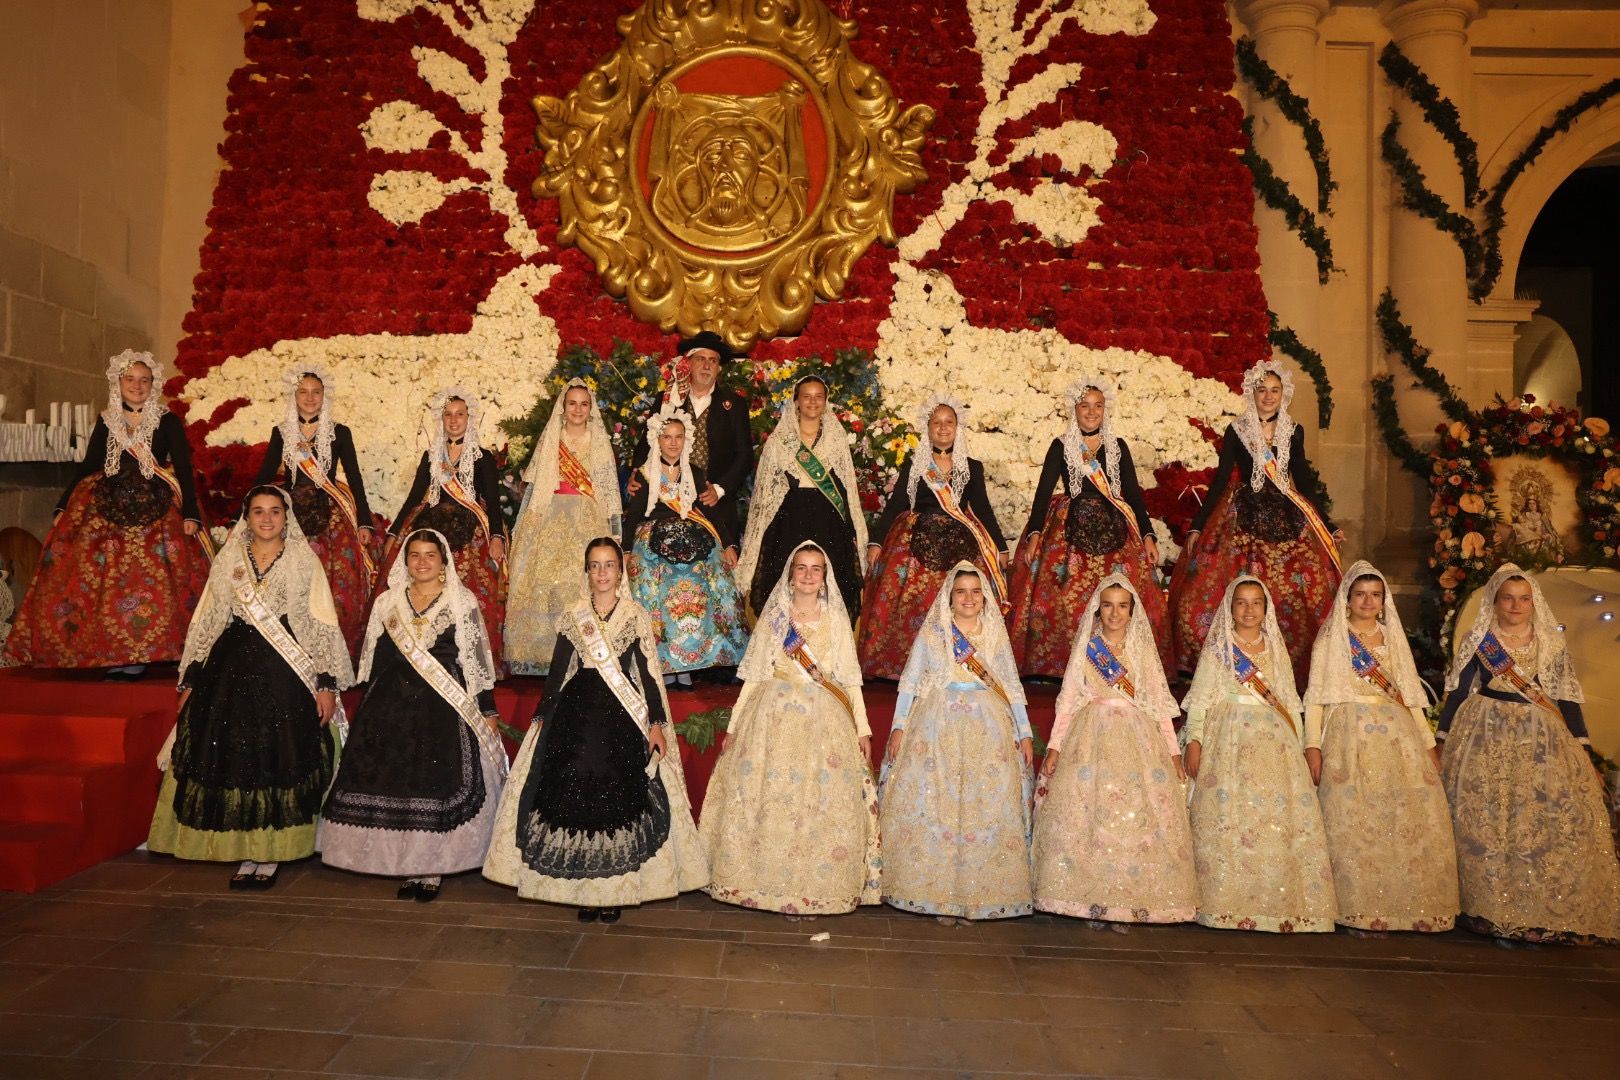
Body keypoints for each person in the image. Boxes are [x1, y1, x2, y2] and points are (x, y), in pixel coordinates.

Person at [484, 537, 708, 922]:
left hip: (622, 717)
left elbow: (650, 676)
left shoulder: (635, 614)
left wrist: (656, 724)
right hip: (578, 712)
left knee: (617, 797)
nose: (602, 573)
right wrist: (541, 718)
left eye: (609, 565)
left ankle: (613, 889)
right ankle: (585, 889)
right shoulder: (574, 614)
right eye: (595, 565)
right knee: (575, 795)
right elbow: (558, 672)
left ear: (620, 572)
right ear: (586, 571)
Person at [147, 486, 354, 889]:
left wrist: (326, 683)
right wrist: (191, 676)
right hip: (231, 669)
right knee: (238, 757)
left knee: (276, 757)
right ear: (247, 517)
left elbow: (321, 622)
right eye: (258, 512)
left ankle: (271, 854)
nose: (266, 519)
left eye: (275, 511)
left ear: (285, 516)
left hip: (285, 673)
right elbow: (210, 616)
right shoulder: (229, 560)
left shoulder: (302, 560)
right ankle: (245, 851)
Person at [320, 529, 508, 901]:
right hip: (392, 705)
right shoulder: (388, 602)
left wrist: (487, 708)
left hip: (444, 705)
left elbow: (475, 662)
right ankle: (402, 861)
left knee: (435, 783)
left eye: (429, 556)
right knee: (398, 784)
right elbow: (376, 658)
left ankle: (432, 866)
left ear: (443, 563)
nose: (421, 562)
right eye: (414, 555)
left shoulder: (461, 600)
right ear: (405, 561)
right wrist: (373, 706)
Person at [1437, 564, 1620, 945]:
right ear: (1496, 602)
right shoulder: (1481, 639)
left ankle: (1536, 904)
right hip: (1483, 729)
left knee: (1534, 814)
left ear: (1533, 602)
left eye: (1523, 599)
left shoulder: (1549, 642)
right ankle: (1486, 905)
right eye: (1508, 599)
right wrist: (1441, 739)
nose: (1516, 606)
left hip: (1538, 735)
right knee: (1486, 816)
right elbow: (1457, 693)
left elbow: (1567, 698)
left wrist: (1582, 747)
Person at [700, 542, 881, 918]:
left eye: (816, 569)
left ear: (825, 578)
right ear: (791, 573)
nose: (809, 575)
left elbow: (849, 679)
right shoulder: (776, 619)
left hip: (823, 718)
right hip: (771, 717)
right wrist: (734, 726)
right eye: (802, 568)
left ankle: (813, 887)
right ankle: (763, 882)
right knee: (770, 799)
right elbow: (754, 676)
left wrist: (862, 728)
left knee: (816, 804)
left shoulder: (836, 619)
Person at [6, 350, 211, 674]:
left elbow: (183, 469)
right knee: (101, 578)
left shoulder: (167, 420)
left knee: (150, 580)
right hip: (106, 506)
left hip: (155, 507)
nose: (137, 386)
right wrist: (63, 503)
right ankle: (111, 651)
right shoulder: (107, 419)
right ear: (118, 383)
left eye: (144, 380)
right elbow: (89, 465)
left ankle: (146, 652)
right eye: (130, 379)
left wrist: (190, 514)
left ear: (152, 384)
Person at [1032, 574, 1197, 927]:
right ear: (1098, 608)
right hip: (1090, 736)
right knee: (1090, 817)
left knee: (1132, 818)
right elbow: (1071, 698)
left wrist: (1172, 753)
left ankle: (1125, 901)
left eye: (1122, 606)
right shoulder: (1088, 647)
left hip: (1137, 740)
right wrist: (1056, 746)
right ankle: (1091, 898)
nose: (1115, 613)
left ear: (1132, 611)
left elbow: (1156, 704)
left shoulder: (1141, 650)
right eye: (1108, 605)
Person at [1304, 562, 1458, 933]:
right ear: (1348, 600)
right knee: (1355, 819)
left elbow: (1409, 697)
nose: (1368, 601)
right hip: (1347, 735)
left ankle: (1405, 903)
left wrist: (1426, 743)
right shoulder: (1331, 639)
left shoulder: (1393, 639)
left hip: (1396, 737)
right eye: (1361, 594)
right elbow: (1316, 698)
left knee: (1401, 817)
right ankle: (1358, 902)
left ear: (1384, 600)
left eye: (1375, 595)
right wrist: (1312, 746)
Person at [1169, 360, 1342, 684]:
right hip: (1242, 514)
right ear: (1253, 392)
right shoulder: (1239, 431)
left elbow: (1303, 481)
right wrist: (1198, 524)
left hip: (1288, 514)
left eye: (1274, 391)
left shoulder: (1294, 431)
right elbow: (1221, 480)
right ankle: (1229, 661)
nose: (1268, 396)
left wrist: (1328, 525)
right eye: (1262, 390)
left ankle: (1288, 665)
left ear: (1283, 394)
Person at [880, 563, 1034, 925]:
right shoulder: (934, 633)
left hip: (987, 728)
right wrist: (899, 726)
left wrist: (1025, 731)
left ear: (984, 598)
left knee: (983, 807)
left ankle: (978, 894)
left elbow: (1011, 685)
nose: (968, 598)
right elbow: (911, 680)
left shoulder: (994, 634)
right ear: (950, 596)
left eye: (975, 591)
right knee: (939, 807)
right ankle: (939, 895)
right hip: (938, 725)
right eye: (961, 591)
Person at [1181, 575, 1336, 932]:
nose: (1249, 610)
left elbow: (1287, 699)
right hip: (1229, 736)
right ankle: (1226, 899)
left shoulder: (1274, 648)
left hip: (1272, 739)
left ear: (1266, 609)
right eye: (1241, 603)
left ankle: (1272, 898)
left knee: (1272, 816)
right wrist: (1195, 740)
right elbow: (1202, 699)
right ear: (1230, 609)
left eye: (1256, 603)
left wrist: (1301, 745)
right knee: (1229, 813)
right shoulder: (1220, 648)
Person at [1007, 377, 1169, 677]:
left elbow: (1132, 495)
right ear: (1075, 409)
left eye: (1098, 406)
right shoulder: (1061, 446)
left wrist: (1147, 535)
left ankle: (1121, 660)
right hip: (1070, 527)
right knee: (1066, 595)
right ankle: (1067, 665)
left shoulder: (1117, 446)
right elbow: (1043, 494)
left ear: (1105, 409)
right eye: (1085, 406)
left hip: (1115, 527)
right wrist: (1034, 535)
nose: (1092, 412)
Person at [859, 394, 1009, 680]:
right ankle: (907, 667)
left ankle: (961, 662)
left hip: (961, 543)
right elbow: (895, 506)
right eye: (936, 423)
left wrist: (1000, 547)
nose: (942, 428)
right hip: (917, 542)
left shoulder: (972, 467)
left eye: (948, 422)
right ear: (927, 428)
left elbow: (983, 510)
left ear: (957, 427)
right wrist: (877, 541)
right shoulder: (915, 466)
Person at [381, 387, 509, 670]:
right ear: (441, 420)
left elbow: (493, 501)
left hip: (471, 529)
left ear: (469, 418)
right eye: (448, 415)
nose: (453, 420)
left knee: (471, 589)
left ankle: (473, 658)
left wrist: (497, 536)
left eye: (459, 414)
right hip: (434, 528)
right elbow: (415, 497)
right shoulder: (431, 455)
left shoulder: (482, 457)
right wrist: (393, 533)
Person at [254, 364, 375, 657]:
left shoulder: (339, 432)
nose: (309, 398)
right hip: (292, 512)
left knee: (335, 576)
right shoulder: (282, 432)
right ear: (294, 395)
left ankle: (332, 644)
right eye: (303, 392)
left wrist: (365, 521)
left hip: (331, 512)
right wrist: (243, 513)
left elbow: (355, 477)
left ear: (325, 395)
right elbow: (266, 474)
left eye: (316, 392)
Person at [623, 405, 747, 686]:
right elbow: (633, 515)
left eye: (679, 437)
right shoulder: (645, 474)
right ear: (657, 440)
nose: (673, 442)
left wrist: (728, 544)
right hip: (653, 541)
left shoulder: (695, 472)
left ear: (686, 440)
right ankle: (665, 665)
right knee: (654, 582)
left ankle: (689, 665)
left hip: (695, 539)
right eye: (667, 437)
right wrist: (627, 550)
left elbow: (711, 511)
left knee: (714, 575)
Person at [505, 378, 622, 674]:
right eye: (573, 403)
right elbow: (538, 486)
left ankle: (587, 649)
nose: (578, 409)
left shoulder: (598, 439)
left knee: (582, 578)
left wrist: (614, 529)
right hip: (552, 514)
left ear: (591, 408)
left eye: (584, 404)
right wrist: (527, 525)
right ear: (563, 407)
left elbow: (608, 489)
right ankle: (546, 653)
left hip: (587, 515)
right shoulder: (552, 437)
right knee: (544, 579)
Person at [735, 375, 868, 621]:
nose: (813, 402)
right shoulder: (779, 441)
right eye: (806, 396)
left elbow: (846, 485)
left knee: (830, 583)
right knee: (786, 582)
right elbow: (766, 490)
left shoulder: (836, 439)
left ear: (826, 402)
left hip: (828, 522)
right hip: (789, 521)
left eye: (819, 397)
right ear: (796, 401)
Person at [628, 331, 753, 553]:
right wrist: (636, 473)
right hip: (668, 503)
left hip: (715, 504)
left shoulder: (733, 405)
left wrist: (720, 489)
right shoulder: (668, 400)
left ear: (719, 368)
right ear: (689, 364)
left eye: (712, 360)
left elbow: (745, 455)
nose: (706, 365)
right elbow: (647, 442)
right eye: (700, 359)